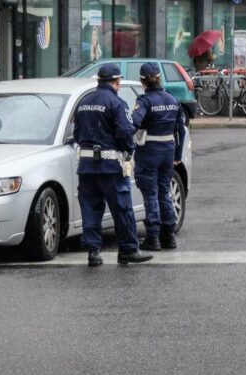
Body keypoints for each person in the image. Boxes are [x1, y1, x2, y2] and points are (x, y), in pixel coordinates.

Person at [73, 63, 153, 267]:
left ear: (99, 81)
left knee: (90, 209)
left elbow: (77, 134)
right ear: (117, 82)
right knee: (122, 208)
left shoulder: (83, 101)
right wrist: (128, 151)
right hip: (110, 167)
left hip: (86, 166)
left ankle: (93, 252)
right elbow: (126, 133)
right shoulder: (116, 103)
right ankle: (128, 249)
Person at [132, 63, 186, 251]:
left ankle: (153, 237)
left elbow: (135, 123)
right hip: (168, 150)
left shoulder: (144, 101)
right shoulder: (172, 99)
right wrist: (178, 154)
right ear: (159, 78)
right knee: (164, 191)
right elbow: (180, 128)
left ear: (142, 81)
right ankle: (169, 236)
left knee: (150, 194)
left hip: (149, 151)